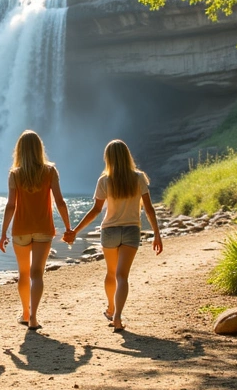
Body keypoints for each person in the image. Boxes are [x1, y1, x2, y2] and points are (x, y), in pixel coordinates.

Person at [65, 139, 163, 331]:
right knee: (122, 276)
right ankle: (117, 316)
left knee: (111, 273)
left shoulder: (104, 180)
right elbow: (149, 210)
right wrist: (157, 234)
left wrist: (75, 231)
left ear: (108, 158)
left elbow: (95, 211)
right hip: (131, 231)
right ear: (127, 156)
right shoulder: (139, 178)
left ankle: (110, 307)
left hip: (109, 231)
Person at [0, 130, 71, 330]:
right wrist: (68, 227)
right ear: (40, 149)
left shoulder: (15, 174)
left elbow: (10, 205)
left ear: (19, 150)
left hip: (20, 230)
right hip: (43, 230)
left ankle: (25, 313)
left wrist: (4, 232)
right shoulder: (50, 171)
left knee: (23, 274)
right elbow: (60, 201)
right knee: (37, 273)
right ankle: (34, 319)